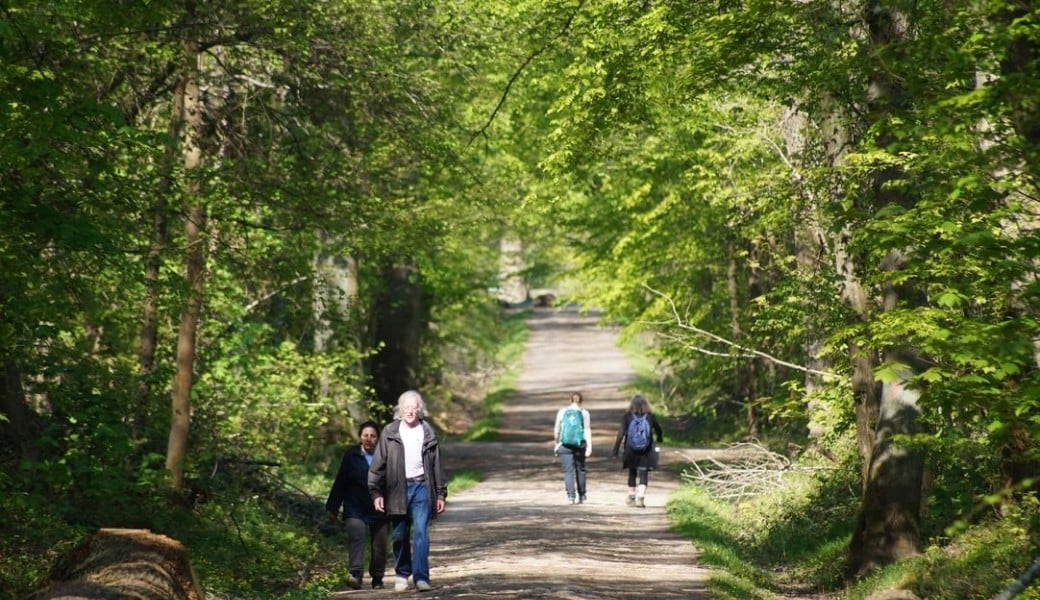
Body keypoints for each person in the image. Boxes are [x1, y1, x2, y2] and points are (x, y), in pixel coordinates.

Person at [368, 390, 447, 593]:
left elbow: (437, 465)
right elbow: (378, 465)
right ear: (400, 410)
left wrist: (440, 493)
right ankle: (402, 574)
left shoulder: (427, 431)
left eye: (414, 407)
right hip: (397, 489)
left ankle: (421, 577)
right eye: (407, 407)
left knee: (421, 533)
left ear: (419, 410)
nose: (410, 411)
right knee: (400, 535)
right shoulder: (390, 432)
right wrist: (376, 493)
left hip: (422, 486)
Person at [326, 420, 389, 590]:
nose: (369, 439)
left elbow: (394, 482)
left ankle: (377, 578)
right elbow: (341, 482)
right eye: (365, 435)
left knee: (380, 543)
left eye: (373, 436)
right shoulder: (351, 455)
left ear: (378, 438)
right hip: (355, 506)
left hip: (380, 506)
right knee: (357, 535)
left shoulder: (385, 455)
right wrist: (332, 508)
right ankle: (356, 575)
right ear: (360, 437)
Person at [611, 394, 663, 508]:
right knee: (644, 473)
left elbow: (620, 434)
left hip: (630, 450)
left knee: (632, 472)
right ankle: (641, 497)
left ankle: (631, 496)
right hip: (646, 450)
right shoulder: (649, 416)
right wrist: (659, 438)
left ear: (632, 404)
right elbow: (658, 429)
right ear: (645, 405)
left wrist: (615, 449)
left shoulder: (627, 417)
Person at [553, 391, 591, 504]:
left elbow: (557, 430)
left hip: (564, 445)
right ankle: (582, 495)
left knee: (568, 472)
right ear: (582, 401)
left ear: (570, 400)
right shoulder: (585, 413)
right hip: (580, 445)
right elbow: (587, 430)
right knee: (580, 469)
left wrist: (557, 443)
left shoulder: (562, 411)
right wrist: (589, 447)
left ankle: (571, 496)